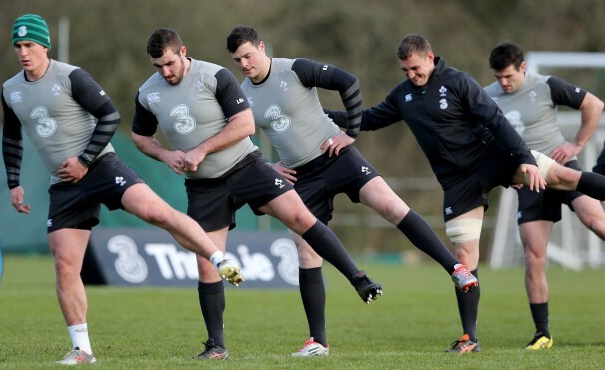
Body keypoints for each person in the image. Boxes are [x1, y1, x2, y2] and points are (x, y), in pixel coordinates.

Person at [326, 34, 605, 353]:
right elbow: (372, 119)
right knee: (463, 257)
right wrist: (318, 115)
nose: (411, 76)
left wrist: (525, 160)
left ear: (430, 58)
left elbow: (495, 121)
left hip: (495, 156)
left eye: (415, 68)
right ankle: (469, 337)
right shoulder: (403, 95)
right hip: (458, 183)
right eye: (405, 71)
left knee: (567, 177)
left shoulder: (459, 82)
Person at [1, 15, 244, 365]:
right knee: (65, 265)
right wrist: (13, 182)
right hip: (64, 184)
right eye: (18, 46)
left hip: (100, 167)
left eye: (29, 45)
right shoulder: (10, 89)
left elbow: (110, 116)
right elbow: (11, 137)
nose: (23, 52)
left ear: (44, 46)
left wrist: (85, 159)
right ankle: (82, 350)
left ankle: (218, 257)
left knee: (156, 213)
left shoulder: (71, 76)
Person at [225, 25, 478, 357]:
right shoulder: (244, 95)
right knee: (304, 251)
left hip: (337, 156)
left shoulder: (295, 68)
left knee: (390, 206)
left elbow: (348, 82)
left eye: (247, 55)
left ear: (261, 47)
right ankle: (318, 341)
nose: (244, 64)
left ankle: (455, 269)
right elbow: (237, 135)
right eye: (237, 60)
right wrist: (266, 165)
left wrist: (352, 133)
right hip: (301, 177)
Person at [131, 28, 383, 361]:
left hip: (246, 167)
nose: (164, 72)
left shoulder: (215, 76)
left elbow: (245, 125)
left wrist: (200, 150)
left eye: (168, 63)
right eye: (156, 67)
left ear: (183, 53)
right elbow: (140, 137)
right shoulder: (148, 94)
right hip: (204, 187)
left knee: (300, 217)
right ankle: (216, 347)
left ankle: (359, 278)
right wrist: (166, 155)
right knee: (208, 265)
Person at [485, 42, 605, 350]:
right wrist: (504, 172)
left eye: (508, 76)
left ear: (523, 67)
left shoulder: (547, 86)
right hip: (529, 180)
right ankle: (543, 334)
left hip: (564, 170)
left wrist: (576, 145)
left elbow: (594, 104)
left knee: (598, 222)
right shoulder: (486, 97)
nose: (503, 82)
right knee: (533, 256)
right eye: (498, 77)